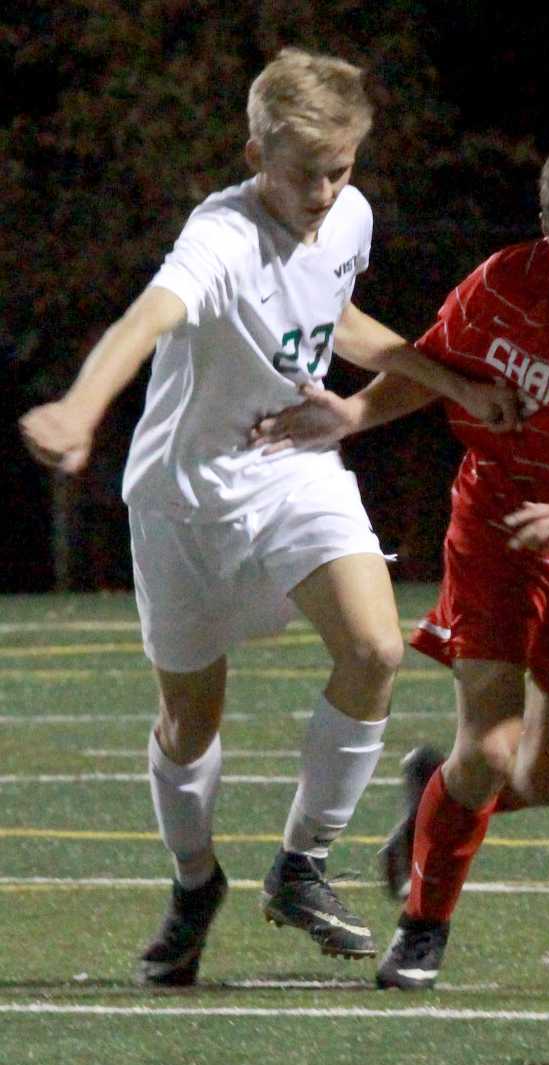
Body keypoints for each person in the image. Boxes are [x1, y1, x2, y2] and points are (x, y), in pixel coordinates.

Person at [19, 47, 516, 988]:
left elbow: (336, 318)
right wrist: (82, 409)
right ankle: (195, 881)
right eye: (307, 172)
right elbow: (144, 321)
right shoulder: (221, 235)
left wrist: (449, 383)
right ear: (256, 154)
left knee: (375, 647)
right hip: (185, 501)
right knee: (187, 722)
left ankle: (302, 863)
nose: (329, 190)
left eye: (344, 168)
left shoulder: (349, 214)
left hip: (291, 466)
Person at [246, 134, 549, 990]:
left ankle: (435, 807)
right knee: (492, 743)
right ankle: (423, 928)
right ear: (546, 227)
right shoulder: (501, 285)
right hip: (495, 525)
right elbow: (433, 367)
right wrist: (356, 414)